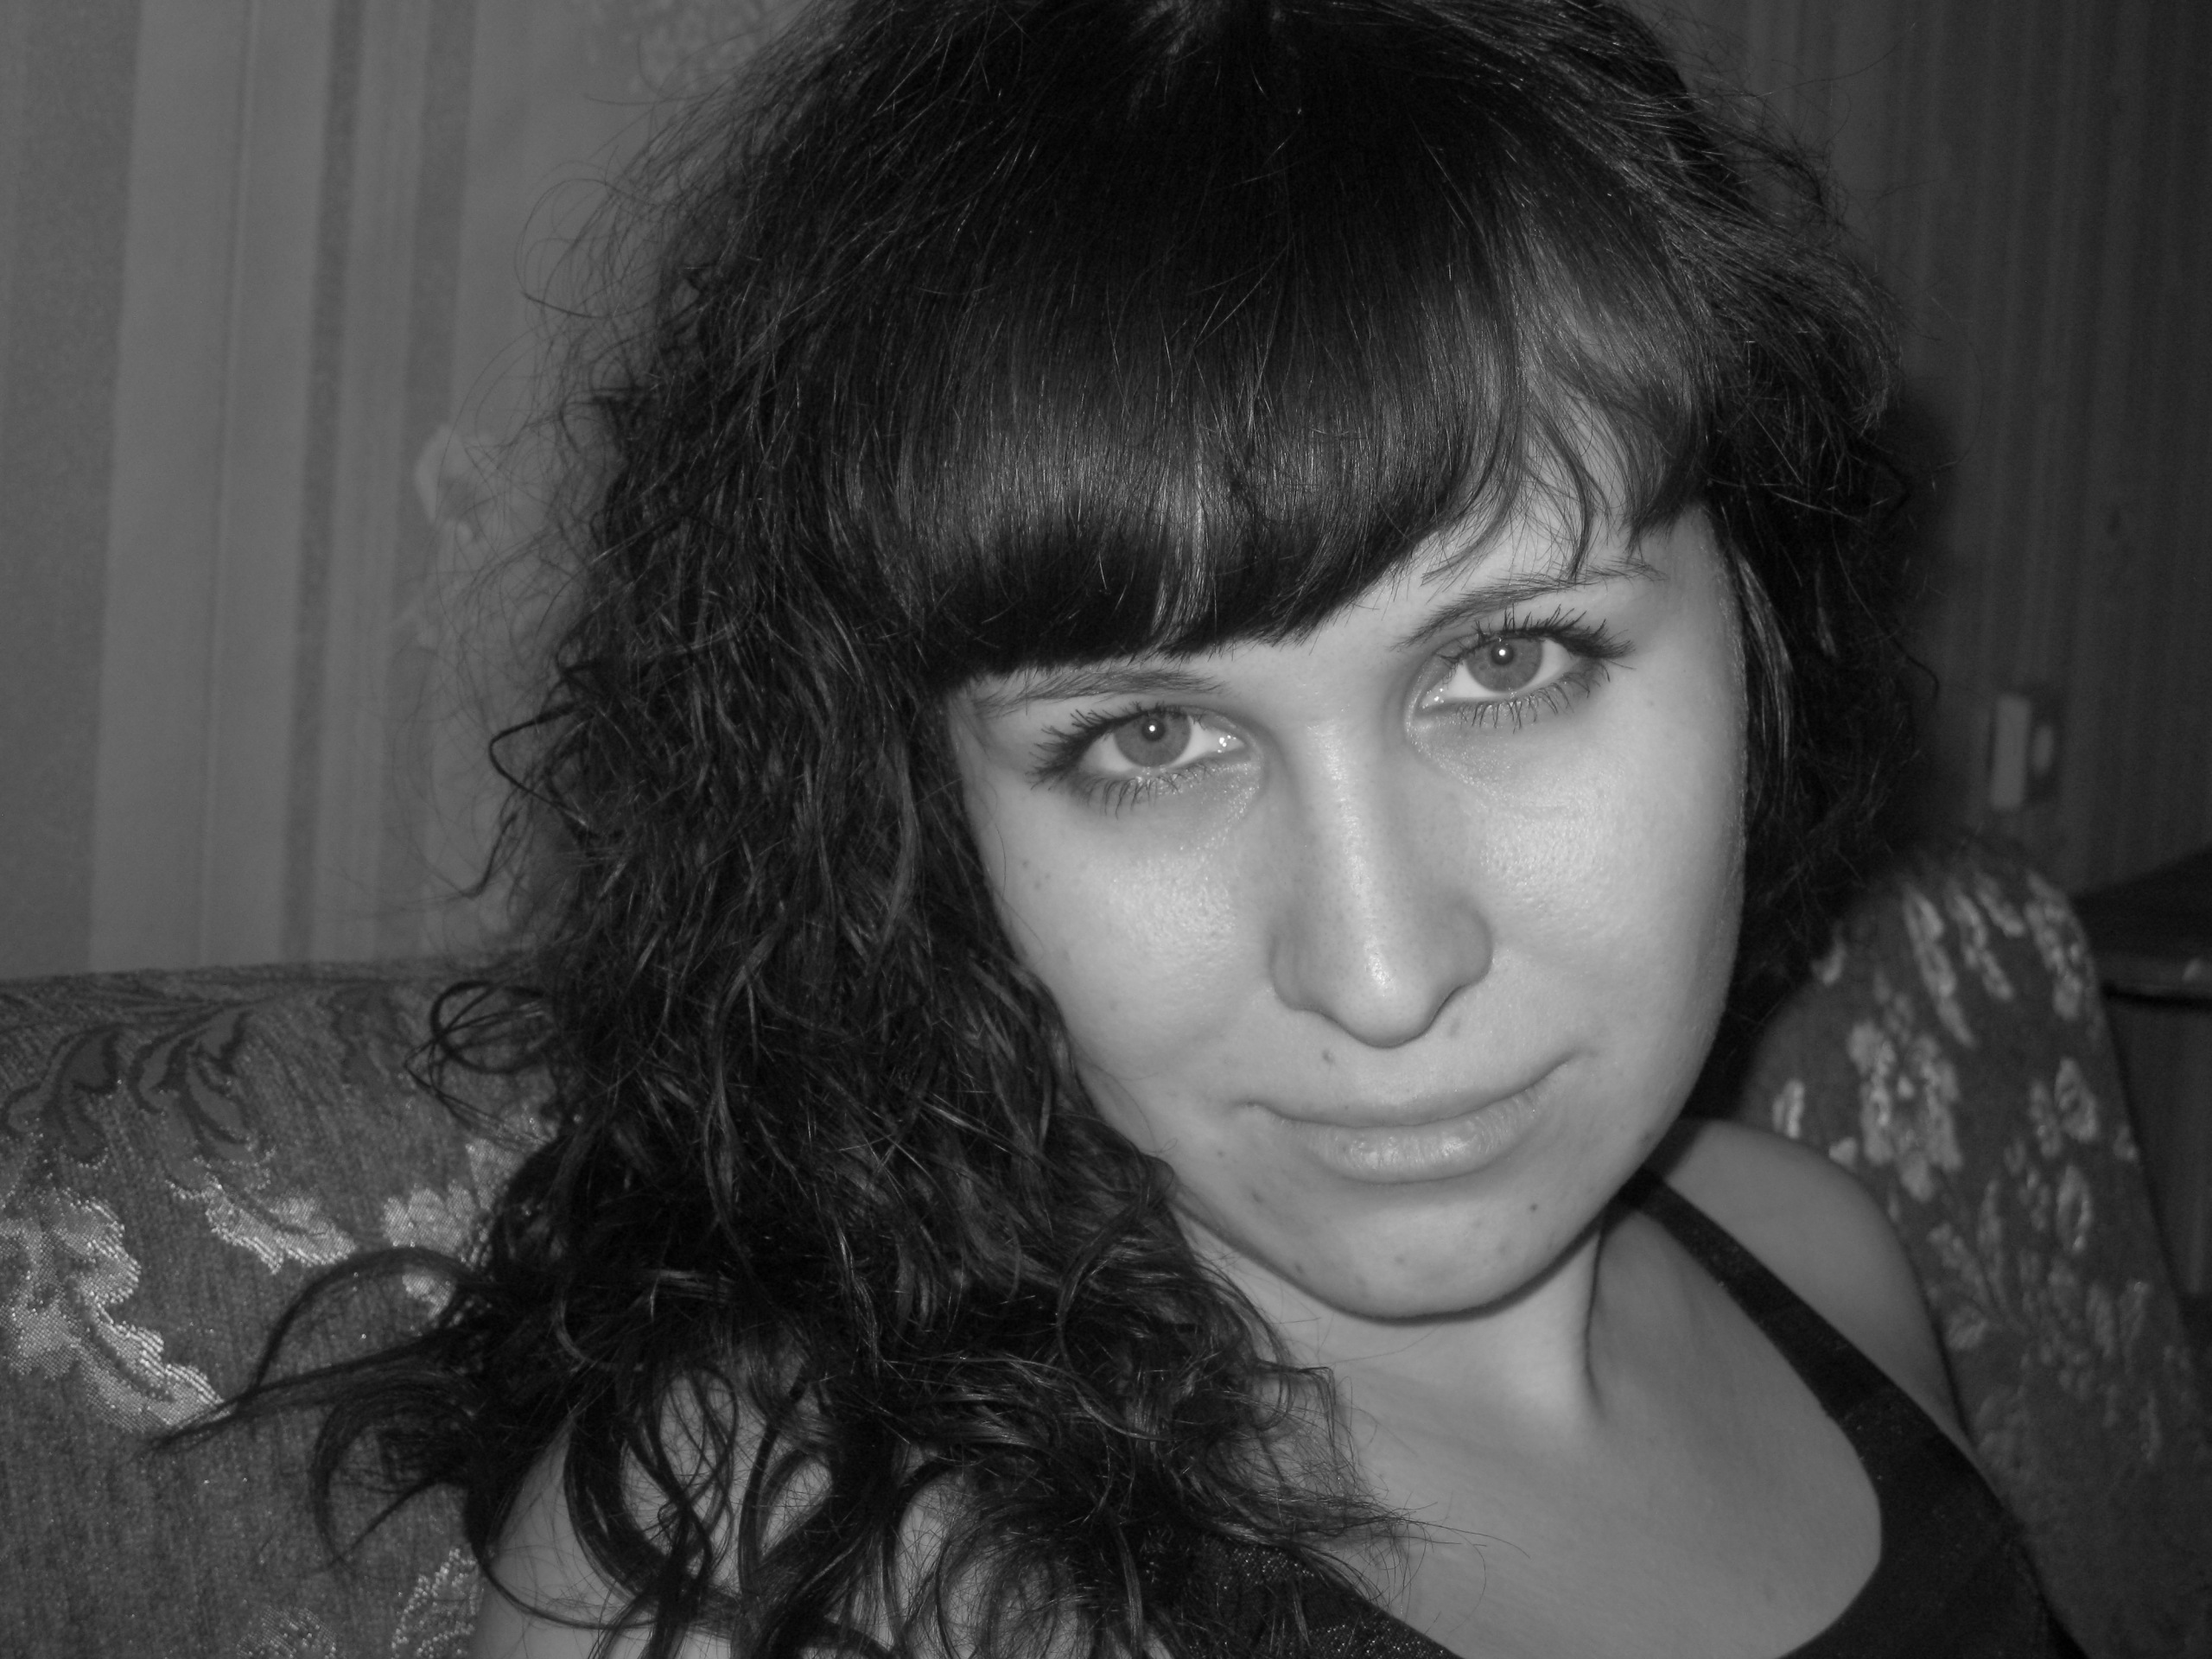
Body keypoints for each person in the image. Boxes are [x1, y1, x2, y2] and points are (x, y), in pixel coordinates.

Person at [238, 0, 2085, 1653]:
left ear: (1758, 632)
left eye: (1507, 658)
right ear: (914, 805)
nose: (1379, 976)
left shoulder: (1823, 1265)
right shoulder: (783, 1568)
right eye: (1149, 736)